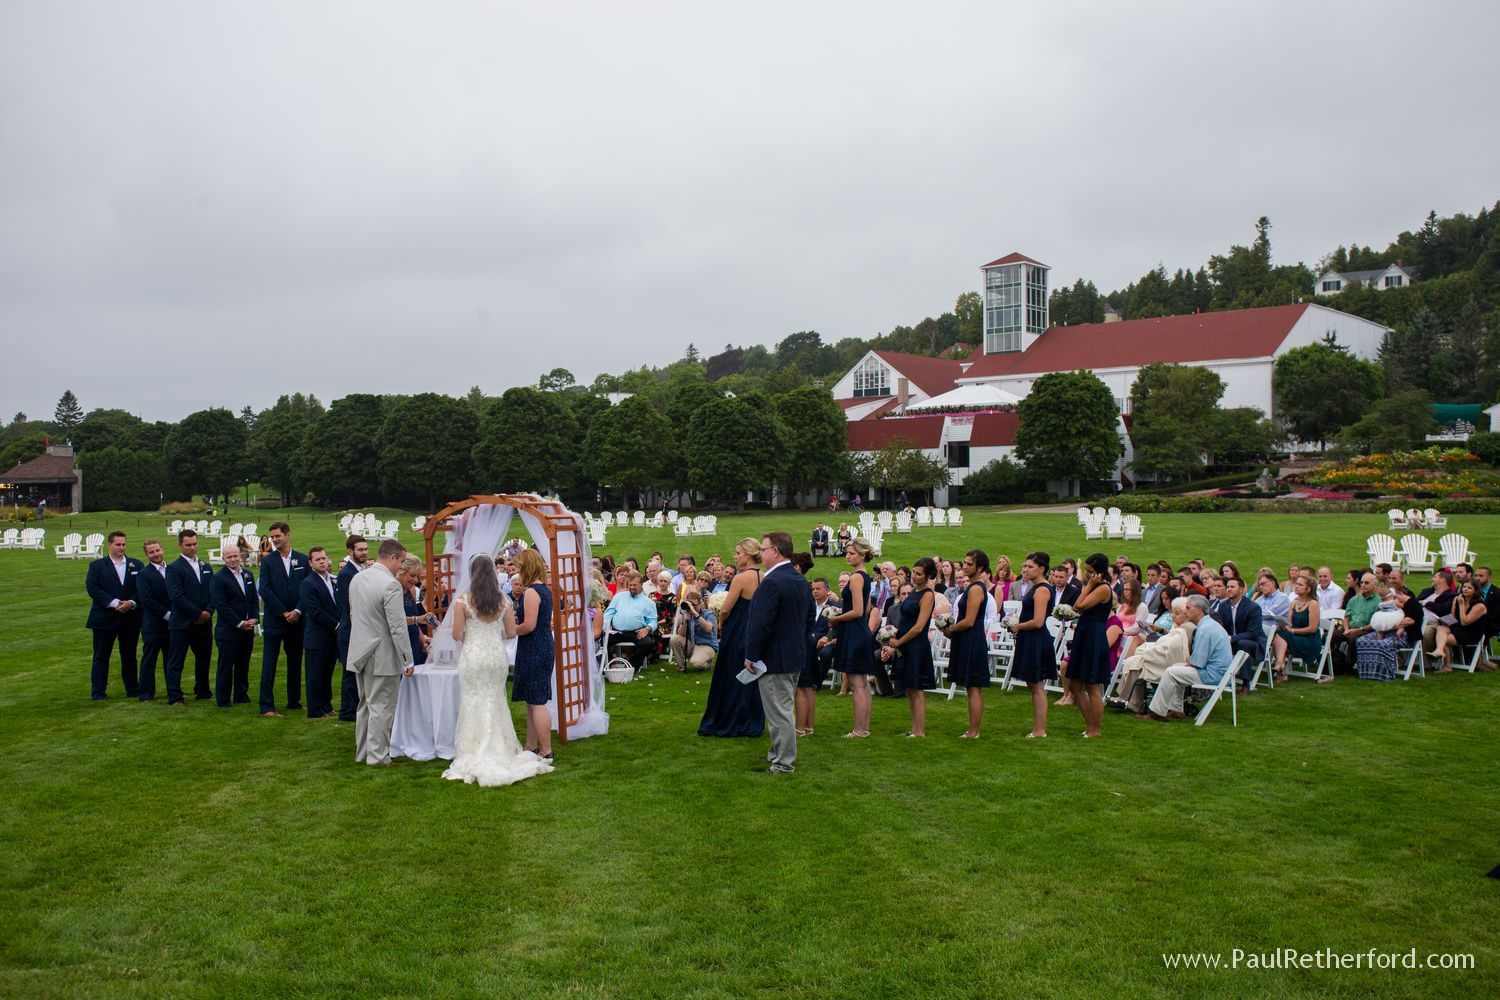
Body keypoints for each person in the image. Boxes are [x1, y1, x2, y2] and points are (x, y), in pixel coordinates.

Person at [442, 555, 553, 786]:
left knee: (472, 699)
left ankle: (473, 747)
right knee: (495, 699)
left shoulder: (463, 601)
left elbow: (456, 635)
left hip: (473, 656)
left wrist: (474, 633)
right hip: (495, 657)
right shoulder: (503, 601)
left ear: (471, 575)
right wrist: (492, 631)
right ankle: (500, 747)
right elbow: (511, 633)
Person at [742, 532, 813, 773]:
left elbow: (760, 623)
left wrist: (751, 654)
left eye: (763, 549)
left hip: (774, 658)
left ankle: (783, 762)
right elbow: (808, 619)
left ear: (776, 551)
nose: (761, 554)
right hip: (794, 654)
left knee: (779, 711)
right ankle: (776, 752)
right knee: (779, 707)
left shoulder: (771, 582)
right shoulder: (799, 579)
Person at [346, 539, 413, 766]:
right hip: (381, 653)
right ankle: (378, 756)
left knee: (365, 704)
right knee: (382, 706)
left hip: (359, 650)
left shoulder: (358, 578)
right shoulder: (390, 584)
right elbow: (397, 627)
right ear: (392, 557)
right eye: (401, 561)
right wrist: (407, 659)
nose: (401, 567)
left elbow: (354, 615)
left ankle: (363, 753)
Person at [699, 538, 766, 737]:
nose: (735, 557)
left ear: (748, 554)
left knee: (730, 672)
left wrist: (721, 622)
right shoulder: (763, 576)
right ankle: (750, 719)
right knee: (751, 674)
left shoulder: (740, 578)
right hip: (754, 629)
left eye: (738, 553)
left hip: (738, 629)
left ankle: (729, 718)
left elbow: (726, 609)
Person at [1140, 595, 1231, 721]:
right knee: (1175, 667)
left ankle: (1157, 712)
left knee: (1171, 672)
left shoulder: (1205, 629)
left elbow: (1198, 662)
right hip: (1219, 672)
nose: (1185, 611)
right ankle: (1176, 709)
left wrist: (1189, 663)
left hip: (1213, 675)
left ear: (1198, 610)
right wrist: (1188, 663)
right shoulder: (1209, 625)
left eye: (1188, 608)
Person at [882, 556, 937, 738]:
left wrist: (899, 641)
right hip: (905, 644)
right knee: (910, 689)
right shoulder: (912, 591)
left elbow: (919, 627)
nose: (914, 576)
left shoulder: (927, 595)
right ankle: (914, 728)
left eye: (919, 574)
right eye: (913, 572)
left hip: (916, 645)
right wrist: (893, 637)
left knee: (917, 688)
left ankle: (920, 730)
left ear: (928, 576)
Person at [1109, 598, 1195, 714]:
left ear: (1186, 614)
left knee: (1137, 662)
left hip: (1170, 661)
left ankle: (1132, 702)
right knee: (1134, 661)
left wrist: (1147, 651)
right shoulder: (1178, 626)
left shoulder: (1186, 628)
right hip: (1161, 656)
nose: (1173, 616)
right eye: (1173, 612)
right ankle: (1128, 699)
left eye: (1177, 613)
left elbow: (1172, 648)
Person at [257, 521, 308, 716]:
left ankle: (294, 701)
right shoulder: (268, 561)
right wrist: (283, 612)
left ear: (288, 535)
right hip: (275, 620)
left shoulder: (302, 560)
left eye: (277, 536)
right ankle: (266, 706)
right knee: (269, 663)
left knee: (295, 662)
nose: (275, 540)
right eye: (272, 537)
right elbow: (265, 589)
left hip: (297, 621)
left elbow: (307, 588)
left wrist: (298, 611)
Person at [84, 530, 142, 700]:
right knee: (101, 656)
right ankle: (98, 693)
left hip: (130, 618)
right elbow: (93, 588)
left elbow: (142, 588)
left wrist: (131, 603)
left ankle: (133, 690)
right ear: (109, 545)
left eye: (124, 544)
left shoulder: (136, 565)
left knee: (129, 656)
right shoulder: (97, 566)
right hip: (104, 618)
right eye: (118, 544)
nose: (121, 547)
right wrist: (115, 603)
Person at [827, 537, 875, 739]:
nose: (847, 556)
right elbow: (864, 609)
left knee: (857, 684)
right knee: (862, 683)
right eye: (847, 552)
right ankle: (864, 728)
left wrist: (836, 618)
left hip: (854, 631)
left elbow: (858, 610)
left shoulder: (856, 577)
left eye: (852, 553)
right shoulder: (864, 576)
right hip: (858, 630)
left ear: (862, 555)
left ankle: (859, 730)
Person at [941, 550, 992, 738]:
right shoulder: (971, 587)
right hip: (966, 638)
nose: (965, 566)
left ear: (980, 568)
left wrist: (951, 629)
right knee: (970, 686)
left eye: (970, 564)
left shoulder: (976, 588)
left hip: (972, 639)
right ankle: (972, 729)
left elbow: (970, 620)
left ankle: (974, 730)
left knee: (973, 686)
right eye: (964, 563)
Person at [511, 549, 556, 759]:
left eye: (520, 566)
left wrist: (511, 630)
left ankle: (546, 749)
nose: (518, 570)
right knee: (532, 699)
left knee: (537, 701)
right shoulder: (543, 589)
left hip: (535, 646)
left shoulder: (531, 592)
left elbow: (529, 625)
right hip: (540, 644)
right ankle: (530, 745)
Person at [1064, 553, 1113, 739]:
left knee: (1092, 686)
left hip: (1093, 636)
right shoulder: (1093, 586)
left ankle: (1095, 728)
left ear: (1099, 572)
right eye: (1085, 570)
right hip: (1084, 634)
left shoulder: (1103, 588)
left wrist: (1090, 586)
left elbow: (1079, 605)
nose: (1086, 573)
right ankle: (1090, 724)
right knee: (1075, 685)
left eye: (1090, 571)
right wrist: (1089, 586)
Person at [1009, 551, 1057, 738]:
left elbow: (1038, 621)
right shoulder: (1035, 587)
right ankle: (1037, 727)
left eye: (1030, 566)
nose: (1025, 569)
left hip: (1036, 639)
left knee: (1037, 685)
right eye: (1024, 566)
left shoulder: (1042, 589)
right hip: (1029, 638)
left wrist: (1018, 626)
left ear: (1042, 569)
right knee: (1032, 684)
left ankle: (1040, 729)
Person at [165, 528, 215, 706]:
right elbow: (176, 596)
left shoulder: (205, 566)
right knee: (176, 660)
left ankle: (203, 690)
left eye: (194, 544)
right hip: (182, 622)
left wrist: (208, 611)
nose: (192, 548)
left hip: (204, 623)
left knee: (204, 658)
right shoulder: (174, 568)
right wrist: (197, 613)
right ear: (180, 545)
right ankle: (175, 696)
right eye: (188, 545)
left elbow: (213, 592)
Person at [210, 545, 260, 709]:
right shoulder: (219, 578)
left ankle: (241, 694)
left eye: (235, 556)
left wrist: (254, 619)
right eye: (229, 557)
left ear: (240, 556)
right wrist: (239, 623)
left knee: (243, 664)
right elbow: (221, 605)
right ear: (223, 559)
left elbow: (253, 599)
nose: (233, 559)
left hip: (247, 629)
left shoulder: (248, 574)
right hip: (228, 631)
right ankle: (223, 699)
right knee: (226, 665)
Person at [298, 546, 340, 718]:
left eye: (324, 558)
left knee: (327, 673)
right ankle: (315, 709)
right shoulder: (308, 583)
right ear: (311, 563)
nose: (322, 562)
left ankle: (326, 705)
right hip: (317, 637)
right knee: (315, 675)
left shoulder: (332, 580)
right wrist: (336, 625)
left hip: (332, 637)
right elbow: (315, 611)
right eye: (318, 559)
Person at [796, 576, 837, 736]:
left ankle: (801, 728)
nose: (814, 591)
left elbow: (837, 627)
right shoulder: (810, 604)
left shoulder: (833, 606)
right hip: (809, 643)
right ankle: (807, 727)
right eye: (812, 589)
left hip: (819, 643)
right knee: (807, 688)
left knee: (803, 687)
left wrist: (827, 637)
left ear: (827, 590)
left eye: (818, 588)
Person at [335, 534, 368, 722]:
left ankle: (356, 707)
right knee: (350, 672)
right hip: (350, 630)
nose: (364, 553)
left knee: (357, 672)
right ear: (350, 551)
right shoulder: (347, 574)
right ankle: (347, 711)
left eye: (365, 549)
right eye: (360, 550)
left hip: (359, 630)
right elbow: (347, 604)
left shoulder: (361, 570)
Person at [135, 538, 172, 702]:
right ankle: (146, 693)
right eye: (151, 552)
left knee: (171, 660)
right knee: (149, 660)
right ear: (147, 555)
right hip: (154, 625)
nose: (156, 554)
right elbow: (147, 600)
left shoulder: (172, 570)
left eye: (157, 550)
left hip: (172, 625)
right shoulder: (143, 574)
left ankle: (173, 691)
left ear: (162, 549)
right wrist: (168, 615)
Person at [1215, 576, 1265, 690]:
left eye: (1232, 587)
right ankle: (1214, 677)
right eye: (1227, 587)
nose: (1229, 589)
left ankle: (1245, 683)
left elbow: (1253, 633)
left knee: (1243, 644)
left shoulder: (1253, 607)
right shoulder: (1223, 606)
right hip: (1231, 641)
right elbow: (1221, 626)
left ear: (1241, 589)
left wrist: (1231, 638)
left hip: (1254, 642)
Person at [603, 570, 657, 672]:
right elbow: (609, 613)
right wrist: (606, 625)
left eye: (635, 585)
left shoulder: (648, 602)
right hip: (616, 631)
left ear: (641, 585)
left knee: (647, 643)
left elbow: (653, 621)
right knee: (599, 640)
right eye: (630, 585)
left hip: (636, 632)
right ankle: (611, 665)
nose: (632, 587)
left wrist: (647, 629)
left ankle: (630, 667)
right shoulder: (619, 597)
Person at [1271, 576, 1322, 682]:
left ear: (1308, 589)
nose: (1296, 586)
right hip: (1293, 636)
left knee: (1281, 635)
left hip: (1309, 639)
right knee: (1280, 633)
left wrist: (1293, 631)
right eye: (1297, 584)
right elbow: (1290, 624)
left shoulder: (1313, 604)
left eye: (1300, 585)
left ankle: (1280, 667)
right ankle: (1280, 666)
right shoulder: (1294, 602)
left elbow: (1312, 629)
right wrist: (1284, 625)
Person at [670, 586, 718, 672]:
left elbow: (708, 629)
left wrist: (696, 614)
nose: (691, 607)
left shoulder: (708, 614)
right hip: (691, 644)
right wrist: (685, 622)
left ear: (700, 603)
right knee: (674, 639)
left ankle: (707, 663)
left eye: (694, 605)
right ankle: (681, 667)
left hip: (706, 645)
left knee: (696, 663)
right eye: (690, 604)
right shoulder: (686, 613)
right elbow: (680, 634)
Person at [399, 555, 430, 665]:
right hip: (401, 644)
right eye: (412, 575)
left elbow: (416, 624)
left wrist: (424, 644)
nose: (416, 580)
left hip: (415, 642)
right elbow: (394, 621)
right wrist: (417, 619)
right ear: (401, 571)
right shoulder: (392, 591)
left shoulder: (411, 590)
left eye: (417, 576)